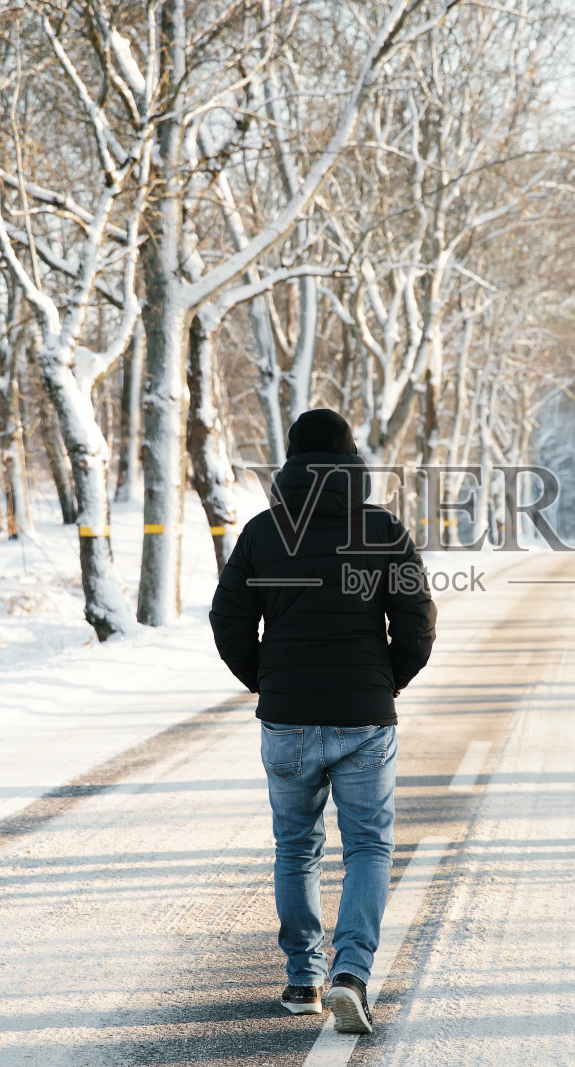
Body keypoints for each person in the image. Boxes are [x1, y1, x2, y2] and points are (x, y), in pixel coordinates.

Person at [210, 409, 437, 1034]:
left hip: (287, 719)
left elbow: (228, 619)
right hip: (364, 718)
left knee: (296, 846)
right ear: (352, 460)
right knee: (367, 846)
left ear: (290, 462)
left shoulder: (262, 533)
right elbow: (416, 621)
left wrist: (265, 679)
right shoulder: (382, 530)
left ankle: (304, 978)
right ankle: (351, 974)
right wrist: (385, 681)